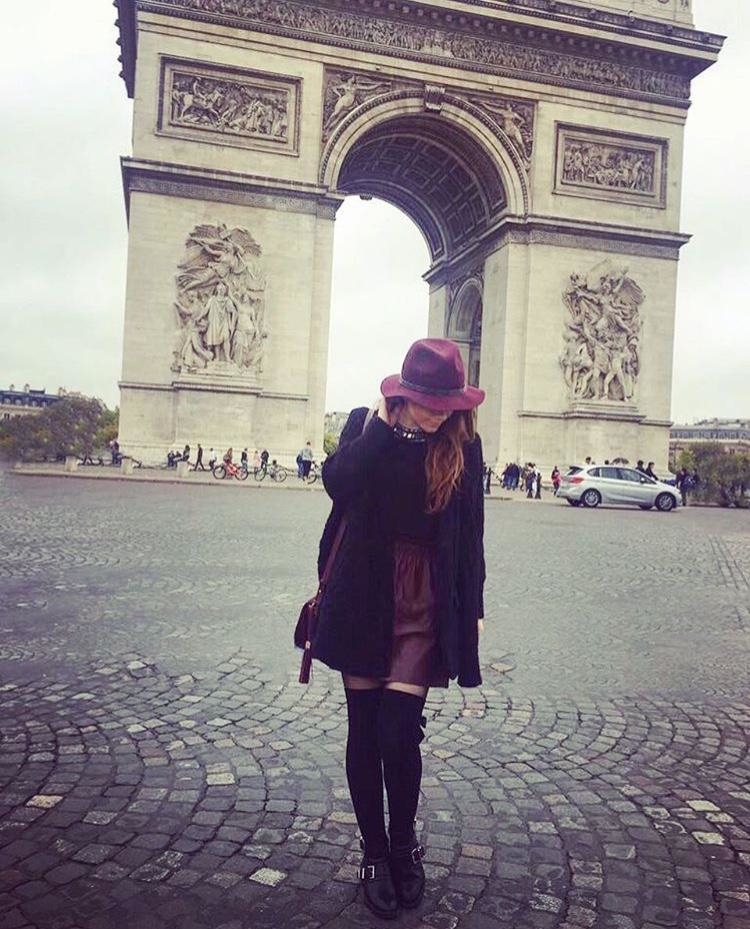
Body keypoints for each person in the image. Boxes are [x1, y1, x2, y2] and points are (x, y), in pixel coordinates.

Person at [309, 338, 486, 920]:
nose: (438, 414)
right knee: (363, 730)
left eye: (448, 405)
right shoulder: (366, 426)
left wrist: (473, 608)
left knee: (399, 731)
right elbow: (338, 483)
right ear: (402, 395)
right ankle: (375, 853)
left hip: (423, 601)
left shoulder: (464, 443)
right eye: (428, 403)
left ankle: (404, 841)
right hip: (363, 591)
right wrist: (382, 429)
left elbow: (472, 533)